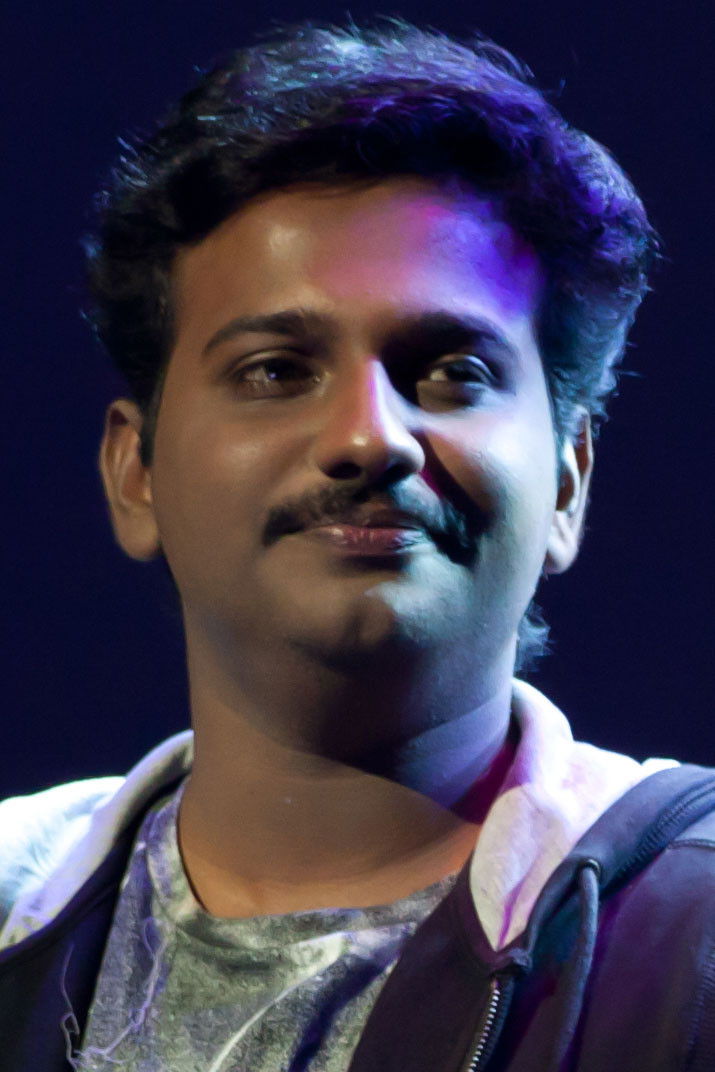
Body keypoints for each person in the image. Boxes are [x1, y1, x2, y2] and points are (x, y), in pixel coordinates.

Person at [1, 17, 714, 1072]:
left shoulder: (692, 932)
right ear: (135, 471)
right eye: (276, 371)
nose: (370, 438)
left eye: (453, 373)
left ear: (567, 482)